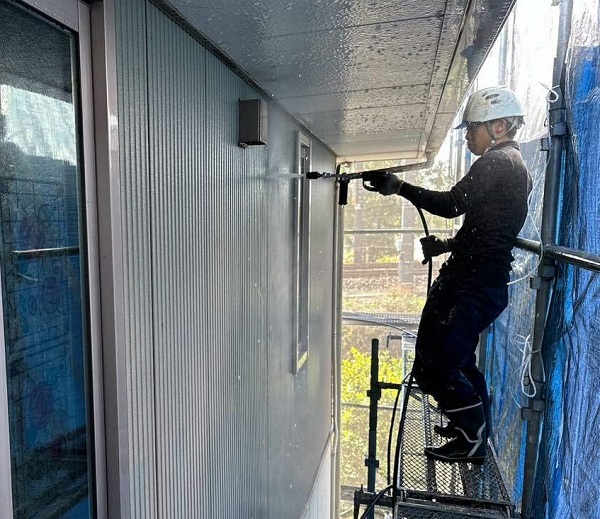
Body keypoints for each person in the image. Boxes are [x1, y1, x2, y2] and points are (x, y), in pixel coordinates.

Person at [368, 86, 532, 464]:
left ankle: (470, 440)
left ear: (500, 126)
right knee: (455, 360)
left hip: (471, 285)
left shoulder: (497, 162)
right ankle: (469, 429)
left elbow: (451, 203)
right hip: (478, 281)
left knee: (439, 364)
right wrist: (446, 246)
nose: (468, 135)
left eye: (472, 128)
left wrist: (399, 187)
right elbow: (488, 230)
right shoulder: (514, 165)